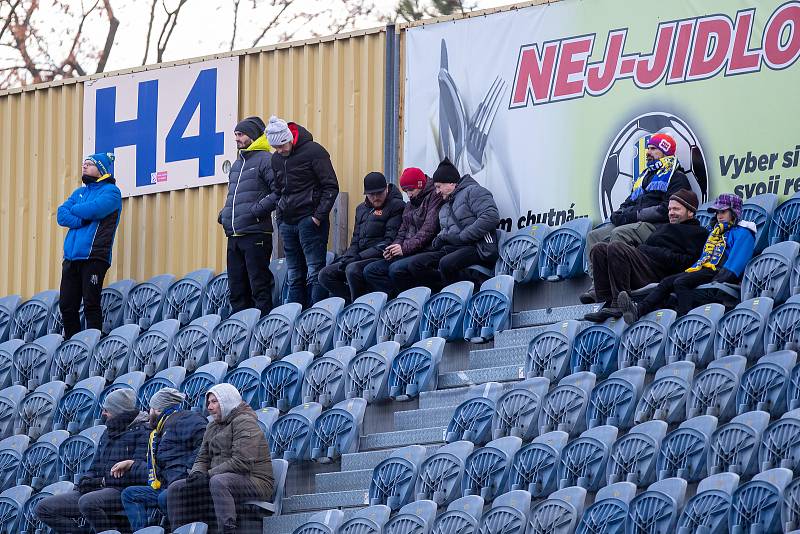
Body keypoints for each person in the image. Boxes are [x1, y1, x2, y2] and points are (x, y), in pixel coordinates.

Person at [582, 133, 692, 303]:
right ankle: (598, 286)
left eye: (653, 149)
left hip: (655, 226)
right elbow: (630, 201)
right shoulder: (645, 177)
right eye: (648, 148)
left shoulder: (677, 177)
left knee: (619, 234)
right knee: (594, 236)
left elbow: (665, 210)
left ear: (665, 151)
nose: (648, 152)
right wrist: (619, 213)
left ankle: (619, 290)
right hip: (635, 222)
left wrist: (633, 216)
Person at [618, 193, 757, 323]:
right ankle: (638, 310)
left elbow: (739, 257)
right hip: (702, 268)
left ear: (734, 212)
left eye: (723, 211)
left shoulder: (743, 232)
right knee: (667, 282)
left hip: (718, 270)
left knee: (681, 282)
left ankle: (685, 319)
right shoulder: (714, 231)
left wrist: (726, 275)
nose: (719, 215)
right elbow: (703, 255)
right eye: (717, 212)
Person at [583, 190, 709, 322]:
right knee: (599, 249)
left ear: (690, 212)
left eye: (676, 209)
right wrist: (645, 249)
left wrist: (650, 251)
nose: (671, 213)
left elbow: (687, 262)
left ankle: (618, 305)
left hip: (659, 273)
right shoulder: (665, 227)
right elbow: (646, 248)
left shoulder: (698, 233)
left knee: (616, 247)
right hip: (644, 264)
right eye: (670, 209)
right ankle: (605, 304)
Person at [35, 389, 149, 534]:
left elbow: (138, 473)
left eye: (107, 410)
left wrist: (101, 482)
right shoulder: (107, 432)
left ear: (118, 410)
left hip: (121, 491)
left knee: (88, 502)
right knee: (44, 507)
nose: (103, 413)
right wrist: (87, 480)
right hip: (97, 488)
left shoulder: (143, 432)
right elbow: (95, 465)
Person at [167, 384, 274, 534]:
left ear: (227, 401)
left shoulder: (245, 422)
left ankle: (227, 530)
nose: (209, 407)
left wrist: (208, 475)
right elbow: (202, 458)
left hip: (255, 480)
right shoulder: (212, 427)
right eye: (208, 403)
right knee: (177, 488)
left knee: (219, 482)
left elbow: (241, 462)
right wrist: (197, 474)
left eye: (214, 402)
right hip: (220, 477)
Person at [266, 115, 339, 308]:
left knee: (315, 271)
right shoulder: (276, 159)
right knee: (294, 274)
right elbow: (279, 191)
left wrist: (317, 217)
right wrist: (280, 220)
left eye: (282, 145)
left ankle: (317, 315)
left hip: (310, 221)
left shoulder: (314, 151)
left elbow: (330, 187)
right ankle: (295, 319)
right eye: (276, 148)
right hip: (288, 223)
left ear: (289, 137)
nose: (280, 150)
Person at [399, 158, 500, 290]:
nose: (437, 191)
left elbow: (491, 216)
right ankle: (440, 297)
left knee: (446, 263)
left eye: (438, 187)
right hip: (455, 247)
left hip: (478, 247)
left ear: (451, 183)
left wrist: (464, 236)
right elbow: (446, 230)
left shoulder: (474, 191)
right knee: (416, 264)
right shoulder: (445, 206)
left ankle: (460, 297)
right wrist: (439, 239)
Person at [119, 388, 207, 531]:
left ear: (158, 409)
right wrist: (133, 465)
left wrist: (190, 470)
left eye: (151, 408)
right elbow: (157, 467)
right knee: (129, 494)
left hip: (184, 483)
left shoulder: (185, 419)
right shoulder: (158, 431)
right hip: (166, 485)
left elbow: (204, 443)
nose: (148, 412)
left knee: (164, 497)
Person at [56, 152, 122, 339]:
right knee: (67, 305)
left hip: (94, 257)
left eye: (89, 164)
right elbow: (61, 214)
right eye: (84, 163)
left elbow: (95, 209)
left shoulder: (111, 192)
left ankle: (93, 343)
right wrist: (81, 220)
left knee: (91, 302)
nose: (84, 166)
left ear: (101, 169)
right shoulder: (79, 192)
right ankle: (73, 344)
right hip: (71, 258)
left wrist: (75, 210)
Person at [218, 116, 278, 315]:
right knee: (236, 287)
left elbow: (279, 191)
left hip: (256, 233)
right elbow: (234, 196)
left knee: (258, 284)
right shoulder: (237, 164)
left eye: (240, 134)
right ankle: (241, 331)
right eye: (235, 134)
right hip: (234, 234)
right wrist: (225, 214)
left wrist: (257, 210)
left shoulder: (266, 160)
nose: (236, 138)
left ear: (252, 135)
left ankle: (262, 327)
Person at [318, 172, 405, 302]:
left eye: (379, 193)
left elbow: (388, 242)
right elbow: (356, 239)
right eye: (371, 194)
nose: (375, 197)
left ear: (386, 189)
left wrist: (358, 257)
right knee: (325, 275)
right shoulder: (361, 209)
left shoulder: (396, 206)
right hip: (360, 256)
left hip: (381, 257)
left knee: (352, 269)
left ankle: (361, 309)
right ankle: (351, 304)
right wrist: (348, 257)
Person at [363, 167, 445, 296]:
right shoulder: (410, 204)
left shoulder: (434, 198)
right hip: (410, 250)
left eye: (411, 190)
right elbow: (402, 230)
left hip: (427, 249)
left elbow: (428, 230)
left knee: (396, 269)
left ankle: (413, 302)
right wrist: (393, 249)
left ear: (421, 185)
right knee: (371, 270)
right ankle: (393, 304)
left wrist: (404, 248)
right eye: (406, 191)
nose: (409, 194)